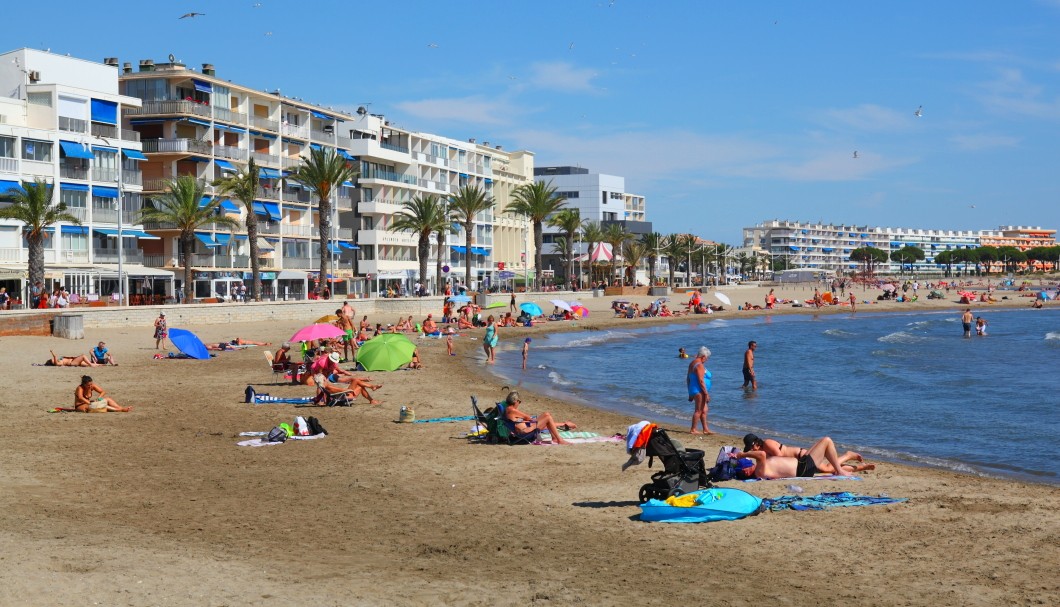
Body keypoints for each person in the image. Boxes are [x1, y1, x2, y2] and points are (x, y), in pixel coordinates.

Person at [732, 436, 874, 479]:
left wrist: (741, 456)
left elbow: (762, 455)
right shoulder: (759, 471)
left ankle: (855, 466)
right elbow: (761, 455)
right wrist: (741, 455)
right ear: (746, 471)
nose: (749, 465)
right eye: (746, 466)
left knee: (827, 466)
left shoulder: (761, 464)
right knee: (827, 441)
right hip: (802, 468)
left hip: (802, 461)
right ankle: (841, 468)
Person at [742, 433, 869, 471]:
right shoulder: (763, 450)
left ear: (756, 444)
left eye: (751, 447)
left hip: (800, 456)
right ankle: (856, 466)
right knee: (827, 469)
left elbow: (780, 457)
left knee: (826, 469)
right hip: (798, 461)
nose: (751, 450)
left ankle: (847, 456)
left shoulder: (767, 444)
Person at [502, 391, 576, 445]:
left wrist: (525, 419)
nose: (519, 404)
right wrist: (529, 419)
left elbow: (521, 419)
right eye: (519, 402)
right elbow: (527, 417)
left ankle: (554, 437)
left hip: (524, 429)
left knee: (547, 414)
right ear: (516, 401)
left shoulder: (507, 409)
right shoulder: (513, 410)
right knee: (548, 417)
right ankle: (560, 440)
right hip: (526, 432)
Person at [686, 346, 712, 435]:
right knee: (699, 410)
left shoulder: (692, 363)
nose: (707, 360)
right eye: (707, 358)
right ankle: (693, 429)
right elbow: (701, 381)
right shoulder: (699, 365)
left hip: (694, 389)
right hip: (699, 390)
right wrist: (706, 393)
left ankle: (705, 429)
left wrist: (689, 392)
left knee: (704, 410)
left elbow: (688, 378)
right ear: (703, 356)